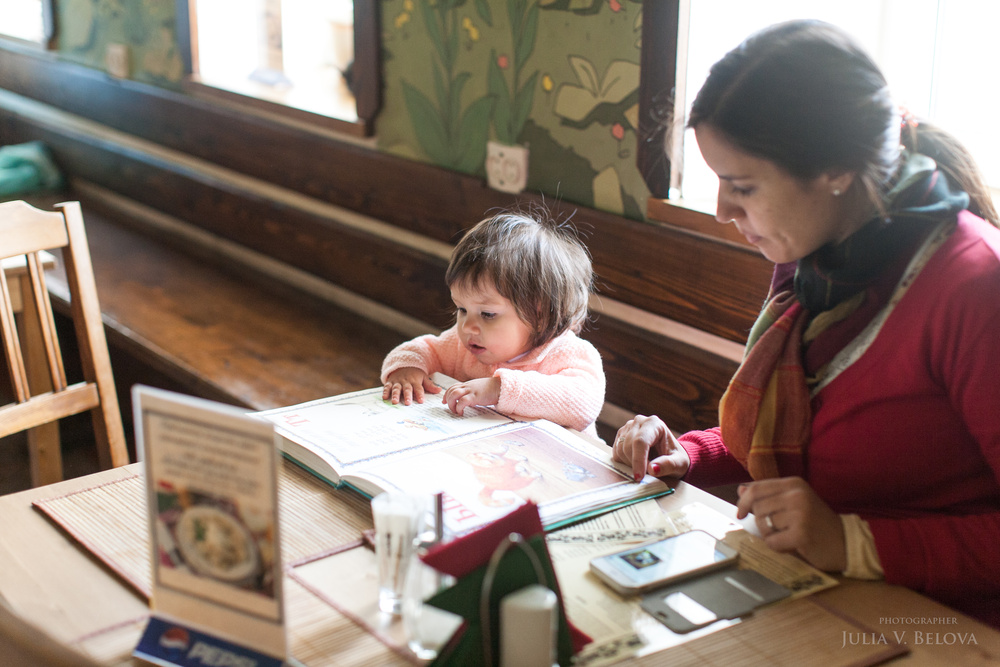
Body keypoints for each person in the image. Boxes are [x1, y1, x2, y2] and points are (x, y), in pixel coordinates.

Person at [613, 20, 1000, 627]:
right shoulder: (810, 258)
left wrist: (854, 543)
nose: (720, 211)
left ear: (836, 170)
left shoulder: (973, 286)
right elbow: (807, 443)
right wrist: (692, 455)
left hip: (945, 628)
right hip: (819, 597)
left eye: (741, 185)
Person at [381, 208, 605, 438]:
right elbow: (422, 349)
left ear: (540, 315)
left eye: (487, 314)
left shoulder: (568, 354)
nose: (468, 326)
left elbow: (583, 403)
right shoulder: (463, 346)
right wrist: (408, 368)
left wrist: (498, 389)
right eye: (462, 309)